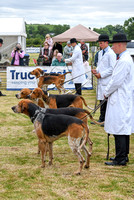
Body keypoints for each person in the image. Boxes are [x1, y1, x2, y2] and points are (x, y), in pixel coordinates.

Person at [104, 33, 134, 166]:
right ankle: (123, 155)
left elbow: (115, 81)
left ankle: (120, 158)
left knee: (119, 127)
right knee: (122, 127)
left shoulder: (124, 60)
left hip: (120, 97)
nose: (112, 47)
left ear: (120, 45)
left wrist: (106, 93)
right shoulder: (124, 58)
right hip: (121, 97)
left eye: (114, 45)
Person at [91, 34, 116, 123]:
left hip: (107, 80)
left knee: (106, 100)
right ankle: (102, 118)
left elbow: (112, 68)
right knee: (101, 99)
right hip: (101, 80)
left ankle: (105, 119)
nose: (100, 45)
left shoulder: (111, 53)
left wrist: (101, 74)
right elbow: (100, 66)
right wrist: (96, 70)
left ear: (106, 43)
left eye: (101, 43)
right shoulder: (101, 53)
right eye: (99, 43)